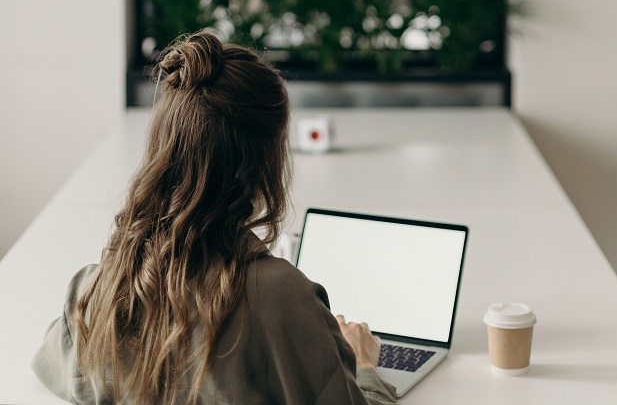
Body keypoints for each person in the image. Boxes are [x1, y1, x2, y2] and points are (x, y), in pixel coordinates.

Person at [32, 30, 397, 405]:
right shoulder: (283, 301)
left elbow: (56, 365)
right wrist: (366, 368)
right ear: (267, 163)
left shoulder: (97, 291)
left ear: (162, 150)